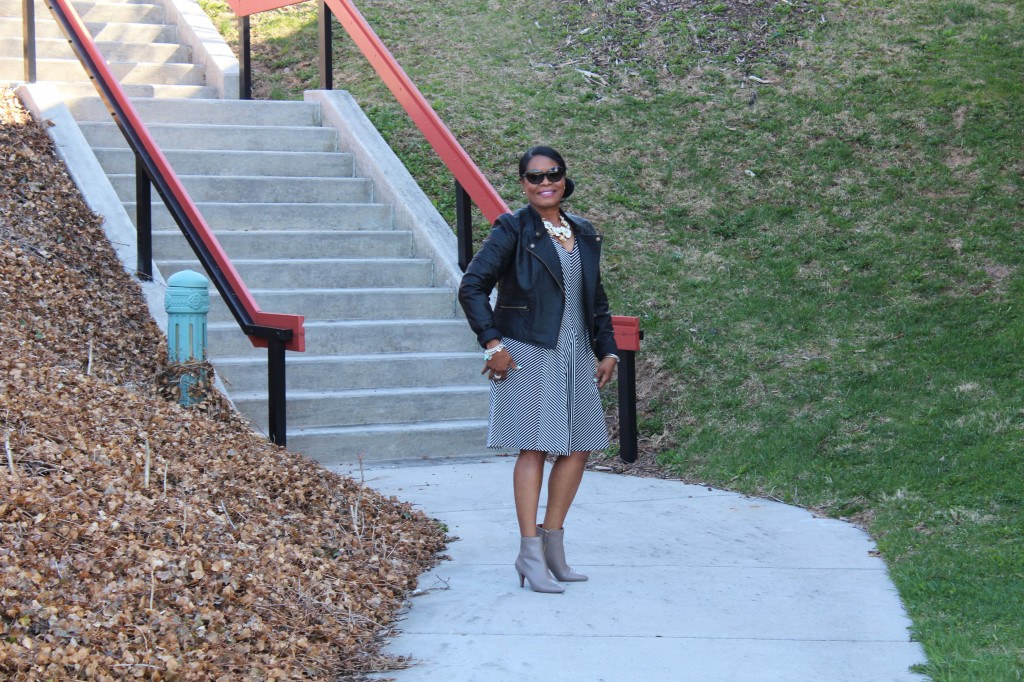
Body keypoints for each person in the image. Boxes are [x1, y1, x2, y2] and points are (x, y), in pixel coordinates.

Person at [458, 146, 619, 593]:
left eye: (553, 174)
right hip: (529, 350)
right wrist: (493, 343)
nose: (544, 182)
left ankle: (553, 548)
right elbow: (472, 286)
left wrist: (608, 350)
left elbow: (597, 300)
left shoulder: (583, 232)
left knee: (579, 447)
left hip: (574, 352)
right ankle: (529, 553)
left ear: (565, 179)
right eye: (534, 177)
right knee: (534, 449)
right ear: (523, 184)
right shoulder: (512, 229)